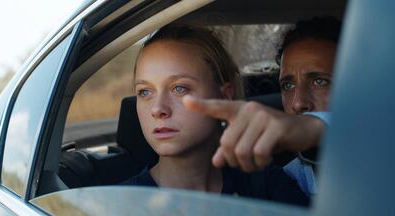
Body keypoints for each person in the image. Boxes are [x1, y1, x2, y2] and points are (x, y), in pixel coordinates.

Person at [121, 24, 309, 206]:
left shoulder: (267, 186)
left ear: (224, 96)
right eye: (145, 92)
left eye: (179, 88)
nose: (157, 109)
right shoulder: (115, 205)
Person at [183, 16, 341, 197]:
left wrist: (315, 126)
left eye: (319, 81)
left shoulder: (379, 150)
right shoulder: (289, 179)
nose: (298, 103)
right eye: (288, 86)